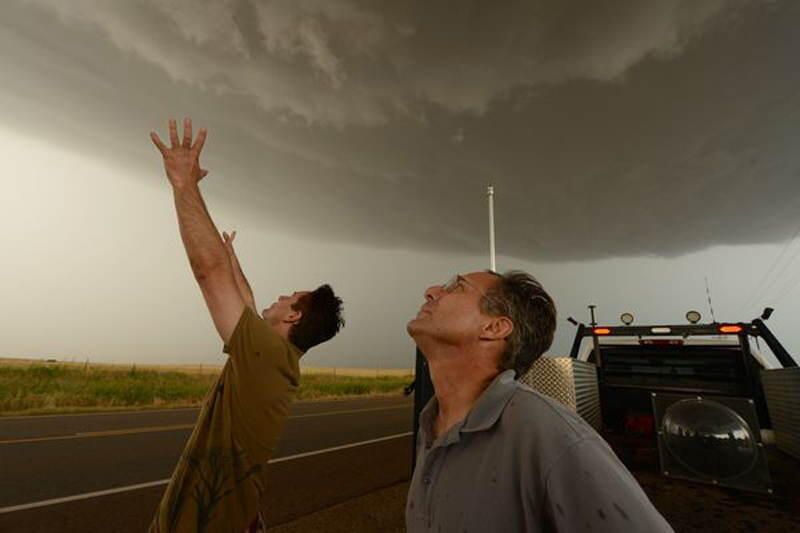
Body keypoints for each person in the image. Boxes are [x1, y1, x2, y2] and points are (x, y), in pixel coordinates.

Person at [148, 118, 344, 532]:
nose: (280, 296)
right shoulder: (273, 360)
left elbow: (209, 273)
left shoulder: (267, 356)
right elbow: (246, 300)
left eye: (289, 298)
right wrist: (230, 255)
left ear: (293, 317)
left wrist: (184, 184)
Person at [405, 271, 673, 532]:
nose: (430, 291)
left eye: (457, 287)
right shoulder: (432, 426)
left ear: (494, 327)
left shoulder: (555, 438)